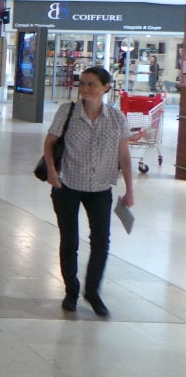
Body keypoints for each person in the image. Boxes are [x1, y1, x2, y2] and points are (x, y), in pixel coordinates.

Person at [44, 66, 134, 316]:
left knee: (101, 243)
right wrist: (51, 170)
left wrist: (129, 189)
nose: (85, 88)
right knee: (69, 240)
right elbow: (50, 142)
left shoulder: (116, 118)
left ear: (106, 87)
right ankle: (71, 291)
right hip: (67, 185)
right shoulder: (68, 111)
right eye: (82, 83)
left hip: (101, 188)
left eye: (92, 84)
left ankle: (92, 292)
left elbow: (124, 156)